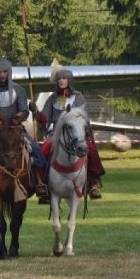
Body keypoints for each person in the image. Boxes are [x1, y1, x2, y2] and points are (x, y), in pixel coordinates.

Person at [29, 68, 105, 201]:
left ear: (69, 80)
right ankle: (43, 184)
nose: (61, 81)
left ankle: (94, 183)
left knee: (91, 151)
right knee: (42, 152)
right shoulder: (53, 98)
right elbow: (44, 118)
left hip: (75, 133)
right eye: (59, 78)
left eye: (64, 78)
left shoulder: (78, 97)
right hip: (56, 135)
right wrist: (35, 111)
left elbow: (83, 117)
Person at [0, 58, 47, 196]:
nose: (2, 75)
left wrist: (20, 115)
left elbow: (24, 110)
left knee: (36, 150)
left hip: (16, 128)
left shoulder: (19, 90)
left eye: (5, 72)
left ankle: (40, 181)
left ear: (9, 73)